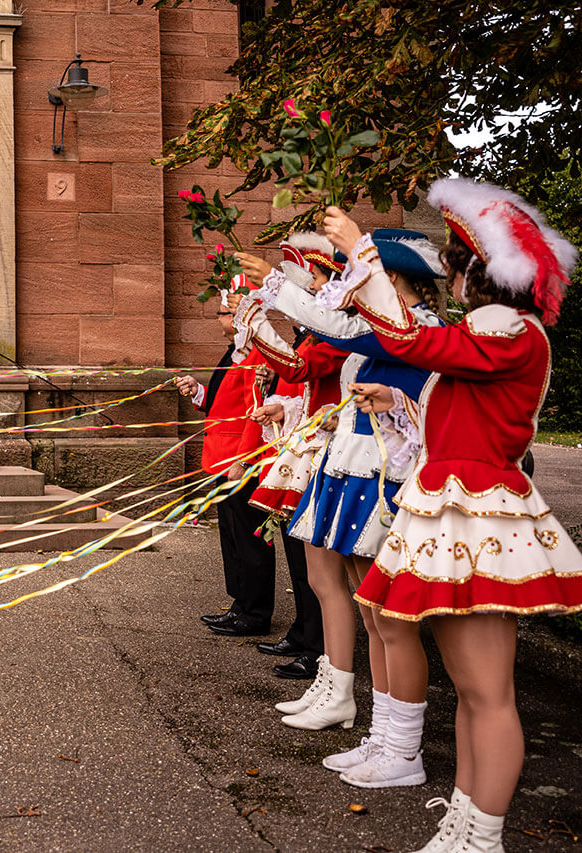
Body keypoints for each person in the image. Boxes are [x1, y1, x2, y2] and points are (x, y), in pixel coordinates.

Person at [324, 184, 580, 853]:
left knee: (487, 690)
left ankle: (480, 834)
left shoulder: (509, 329)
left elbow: (410, 338)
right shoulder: (501, 334)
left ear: (486, 272)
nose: (455, 276)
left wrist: (361, 256)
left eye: (461, 263)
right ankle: (466, 819)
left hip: (476, 514)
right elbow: (463, 419)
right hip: (462, 506)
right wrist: (404, 408)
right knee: (473, 689)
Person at [251, 229, 444, 791]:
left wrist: (274, 285)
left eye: (364, 278)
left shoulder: (417, 330)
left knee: (391, 619)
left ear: (396, 283)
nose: (349, 289)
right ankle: (384, 736)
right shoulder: (384, 332)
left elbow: (334, 330)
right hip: (355, 469)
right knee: (371, 613)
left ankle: (403, 748)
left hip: (387, 478)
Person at [237, 234, 347, 681]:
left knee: (318, 562)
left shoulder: (342, 330)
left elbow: (301, 370)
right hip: (310, 442)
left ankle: (323, 652)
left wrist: (258, 321)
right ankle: (307, 637)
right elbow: (300, 381)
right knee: (304, 555)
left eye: (319, 277)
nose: (316, 285)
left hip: (334, 449)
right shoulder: (325, 331)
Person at [173, 290, 277, 635]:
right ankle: (240, 603)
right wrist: (198, 391)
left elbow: (255, 411)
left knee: (249, 536)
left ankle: (256, 612)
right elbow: (223, 403)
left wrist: (245, 459)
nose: (218, 318)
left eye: (222, 312)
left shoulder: (258, 355)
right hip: (220, 455)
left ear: (239, 317)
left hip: (239, 458)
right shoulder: (235, 353)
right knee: (231, 535)